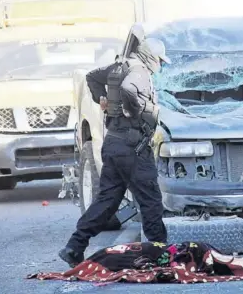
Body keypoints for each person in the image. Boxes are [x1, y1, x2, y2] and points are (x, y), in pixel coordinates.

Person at [58, 37, 171, 268]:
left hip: (113, 144)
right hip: (133, 148)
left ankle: (74, 246)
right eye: (160, 60)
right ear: (151, 56)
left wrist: (103, 100)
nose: (160, 65)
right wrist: (138, 111)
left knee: (107, 202)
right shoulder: (139, 72)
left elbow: (92, 77)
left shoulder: (119, 66)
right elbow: (130, 90)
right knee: (151, 201)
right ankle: (160, 254)